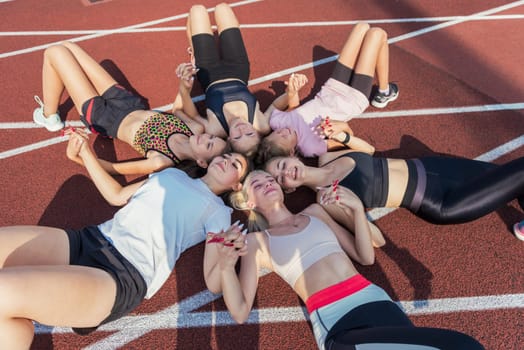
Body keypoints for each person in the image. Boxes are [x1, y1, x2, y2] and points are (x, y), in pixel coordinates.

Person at [0, 129, 250, 349]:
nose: (226, 161)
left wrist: (227, 263)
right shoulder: (172, 174)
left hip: (121, 275)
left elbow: (213, 281)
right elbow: (116, 195)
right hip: (90, 239)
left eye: (235, 165)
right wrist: (85, 152)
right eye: (225, 156)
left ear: (237, 186)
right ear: (205, 162)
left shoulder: (218, 212)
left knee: (4, 291)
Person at [204, 171, 484, 349]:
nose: (267, 184)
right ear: (249, 202)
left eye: (269, 179)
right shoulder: (257, 242)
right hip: (337, 322)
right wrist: (227, 267)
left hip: (377, 302)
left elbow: (365, 256)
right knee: (465, 346)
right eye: (257, 183)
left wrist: (356, 211)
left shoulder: (316, 212)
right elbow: (240, 312)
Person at [33, 41, 228, 175]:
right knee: (68, 47)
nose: (207, 137)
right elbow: (177, 109)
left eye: (209, 145)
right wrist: (186, 82)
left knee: (54, 52)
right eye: (212, 137)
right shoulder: (195, 129)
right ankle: (50, 110)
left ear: (201, 162)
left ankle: (49, 116)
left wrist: (78, 156)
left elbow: (111, 168)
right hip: (127, 102)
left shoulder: (162, 160)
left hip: (105, 118)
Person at [256, 22, 397, 163]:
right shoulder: (310, 147)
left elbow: (294, 108)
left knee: (362, 27)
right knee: (377, 34)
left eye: (277, 132)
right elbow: (346, 140)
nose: (283, 131)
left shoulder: (277, 122)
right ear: (292, 152)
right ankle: (384, 91)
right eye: (284, 137)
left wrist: (292, 92)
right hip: (353, 99)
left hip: (332, 87)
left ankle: (384, 91)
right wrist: (340, 127)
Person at [265, 150, 524, 225]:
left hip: (436, 167)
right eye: (280, 178)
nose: (285, 172)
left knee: (513, 181)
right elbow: (374, 242)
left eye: (280, 165)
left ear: (291, 156)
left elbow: (365, 149)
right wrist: (355, 209)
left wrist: (343, 137)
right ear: (288, 189)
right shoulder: (326, 199)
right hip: (439, 201)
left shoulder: (327, 156)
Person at [180, 3, 306, 157]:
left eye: (238, 137)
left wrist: (184, 90)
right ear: (258, 134)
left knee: (197, 10)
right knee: (222, 8)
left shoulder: (216, 129)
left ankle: (194, 49)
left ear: (228, 140)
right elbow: (276, 105)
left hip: (208, 72)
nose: (242, 129)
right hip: (238, 69)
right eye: (250, 134)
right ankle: (201, 47)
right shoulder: (261, 124)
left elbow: (193, 115)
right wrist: (291, 92)